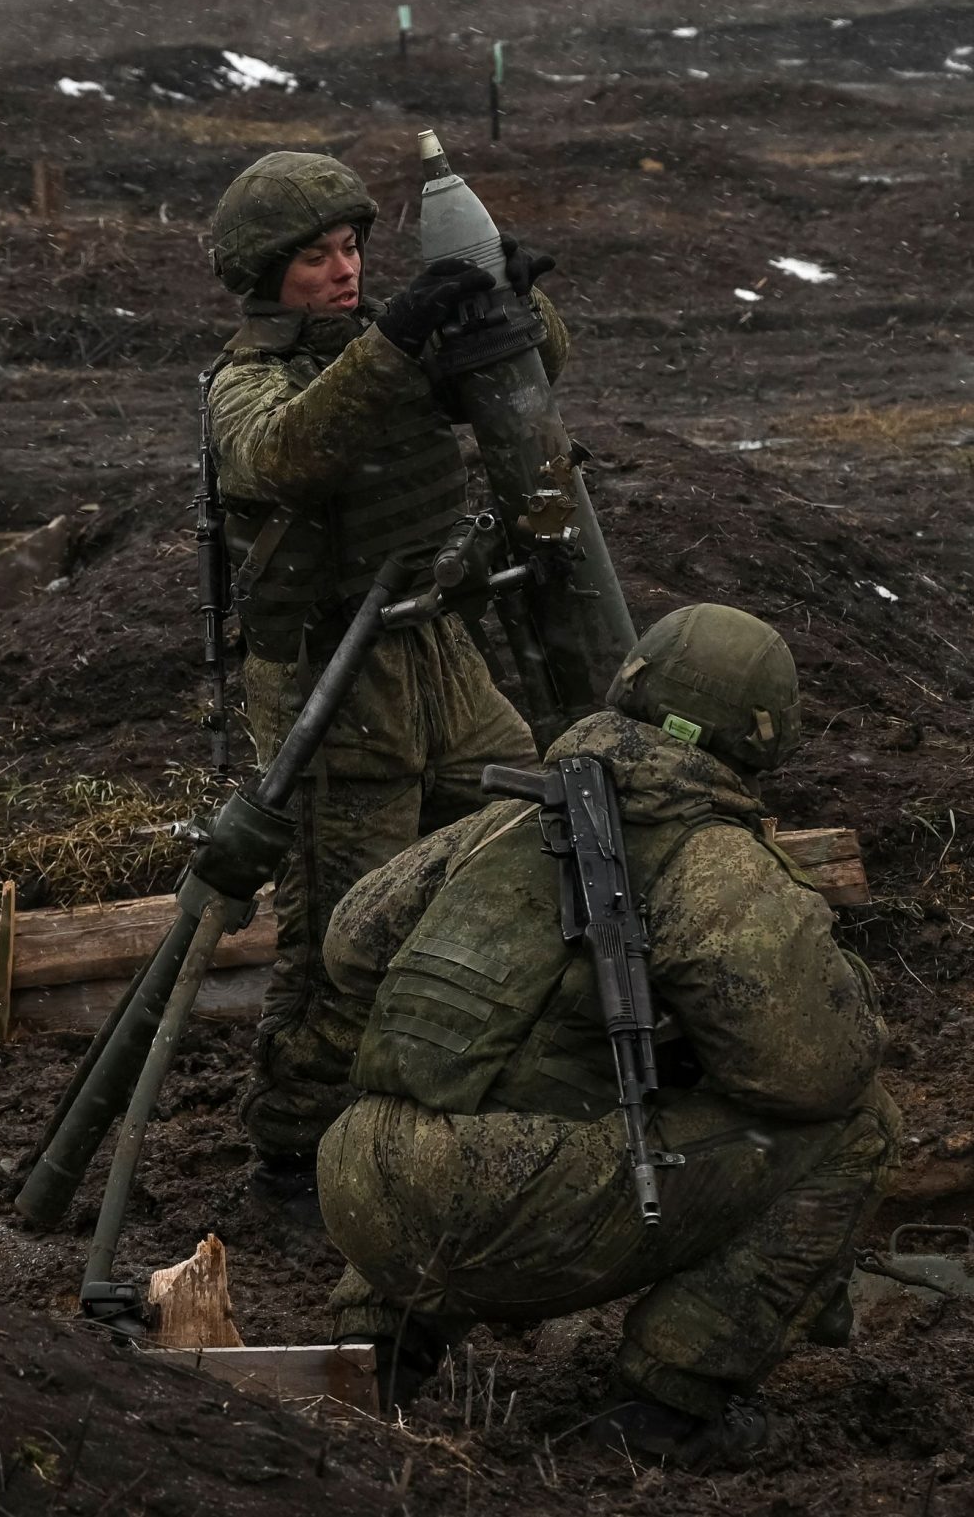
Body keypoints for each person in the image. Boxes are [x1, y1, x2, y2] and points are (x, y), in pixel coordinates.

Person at [312, 603, 900, 1464]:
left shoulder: (514, 811)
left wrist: (509, 1012)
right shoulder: (715, 861)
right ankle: (669, 1404)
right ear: (763, 735)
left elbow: (351, 943)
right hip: (502, 1211)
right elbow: (815, 1071)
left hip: (356, 1178)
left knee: (485, 1090)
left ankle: (378, 1346)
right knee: (860, 1128)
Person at [203, 150, 572, 1206]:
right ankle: (291, 1150)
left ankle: (461, 1066)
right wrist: (403, 340)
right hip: (332, 677)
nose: (343, 271)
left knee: (531, 831)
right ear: (265, 273)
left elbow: (531, 377)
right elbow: (283, 454)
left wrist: (516, 300)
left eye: (353, 249)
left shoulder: (380, 351)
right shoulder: (248, 380)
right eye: (315, 256)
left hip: (432, 650)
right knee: (337, 932)